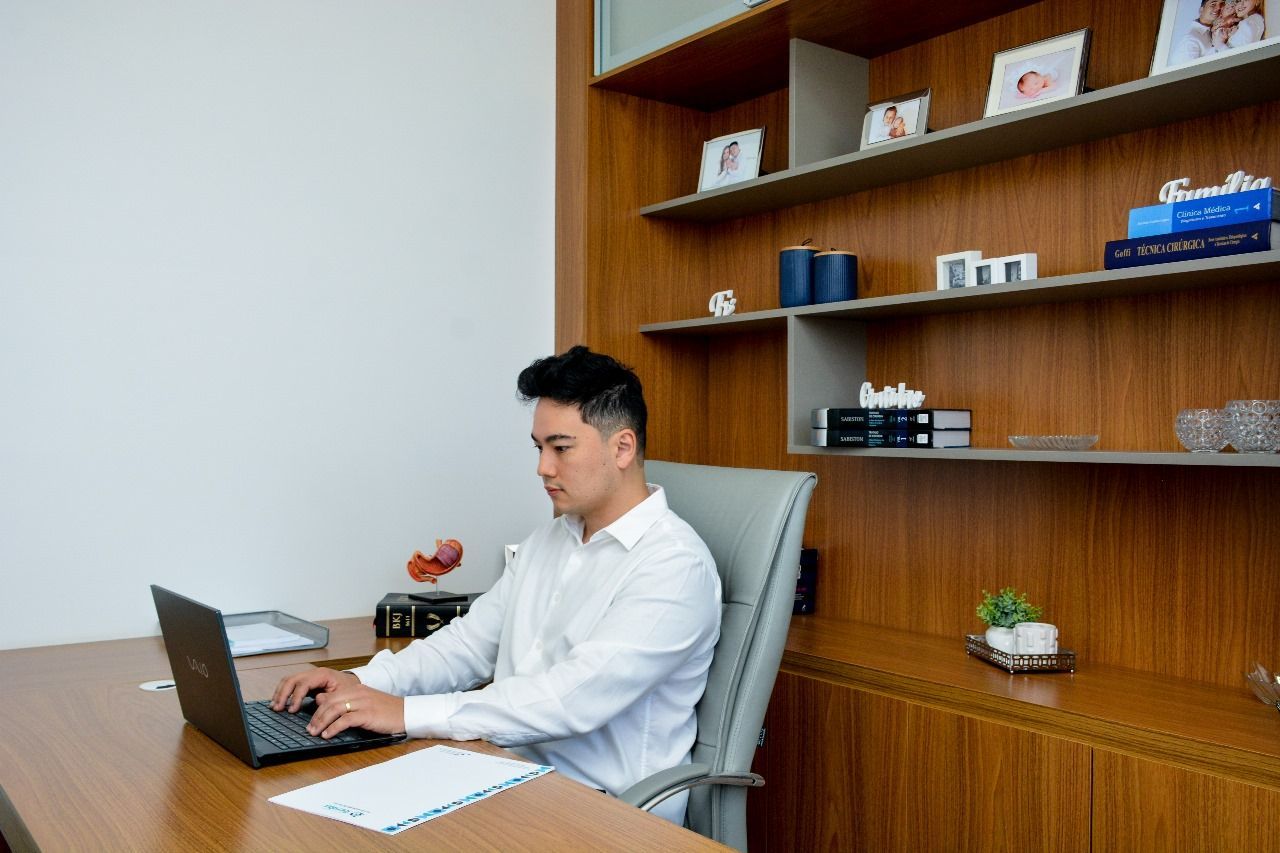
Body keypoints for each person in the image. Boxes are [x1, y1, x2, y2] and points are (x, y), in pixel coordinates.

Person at [271, 346, 721, 825]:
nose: (543, 468)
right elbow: (466, 646)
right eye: (539, 448)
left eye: (561, 448)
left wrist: (404, 714)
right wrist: (362, 683)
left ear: (622, 448)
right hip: (507, 772)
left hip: (605, 810)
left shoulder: (674, 566)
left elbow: (568, 701)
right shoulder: (550, 539)